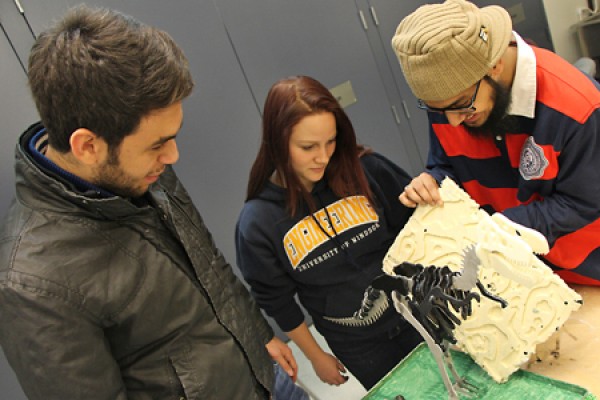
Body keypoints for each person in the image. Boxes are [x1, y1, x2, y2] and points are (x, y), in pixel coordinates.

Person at [0, 6, 308, 400]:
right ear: (88, 146)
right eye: (158, 143)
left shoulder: (142, 167)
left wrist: (257, 333)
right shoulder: (33, 286)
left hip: (264, 377)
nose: (173, 156)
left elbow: (206, 261)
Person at [391, 0, 600, 286]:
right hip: (514, 272)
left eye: (461, 105)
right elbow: (446, 164)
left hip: (583, 271)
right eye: (437, 110)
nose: (452, 122)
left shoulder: (577, 107)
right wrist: (433, 182)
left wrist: (498, 226)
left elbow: (584, 202)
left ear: (495, 66)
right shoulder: (451, 101)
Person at [235, 75, 423, 390]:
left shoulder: (367, 170)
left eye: (331, 141)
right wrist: (316, 356)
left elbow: (416, 227)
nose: (323, 157)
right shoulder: (258, 222)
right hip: (359, 343)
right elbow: (276, 300)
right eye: (308, 147)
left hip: (418, 311)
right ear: (278, 143)